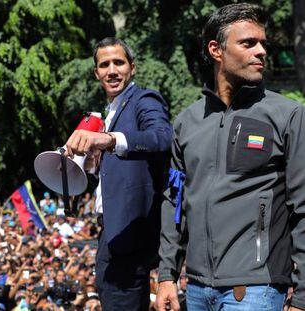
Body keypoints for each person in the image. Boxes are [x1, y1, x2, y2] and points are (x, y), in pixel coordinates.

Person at [156, 3, 305, 311]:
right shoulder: (187, 122)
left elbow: (303, 207)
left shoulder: (288, 115)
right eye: (248, 43)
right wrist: (167, 276)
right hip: (195, 290)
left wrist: (302, 297)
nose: (261, 51)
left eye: (263, 43)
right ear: (216, 49)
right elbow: (175, 203)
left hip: (257, 290)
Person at [65, 37, 172, 310]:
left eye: (118, 62)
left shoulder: (144, 99)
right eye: (104, 65)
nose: (112, 70)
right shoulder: (107, 114)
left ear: (132, 68)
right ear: (96, 73)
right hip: (111, 229)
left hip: (131, 232)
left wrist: (110, 140)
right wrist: (88, 163)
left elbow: (162, 137)